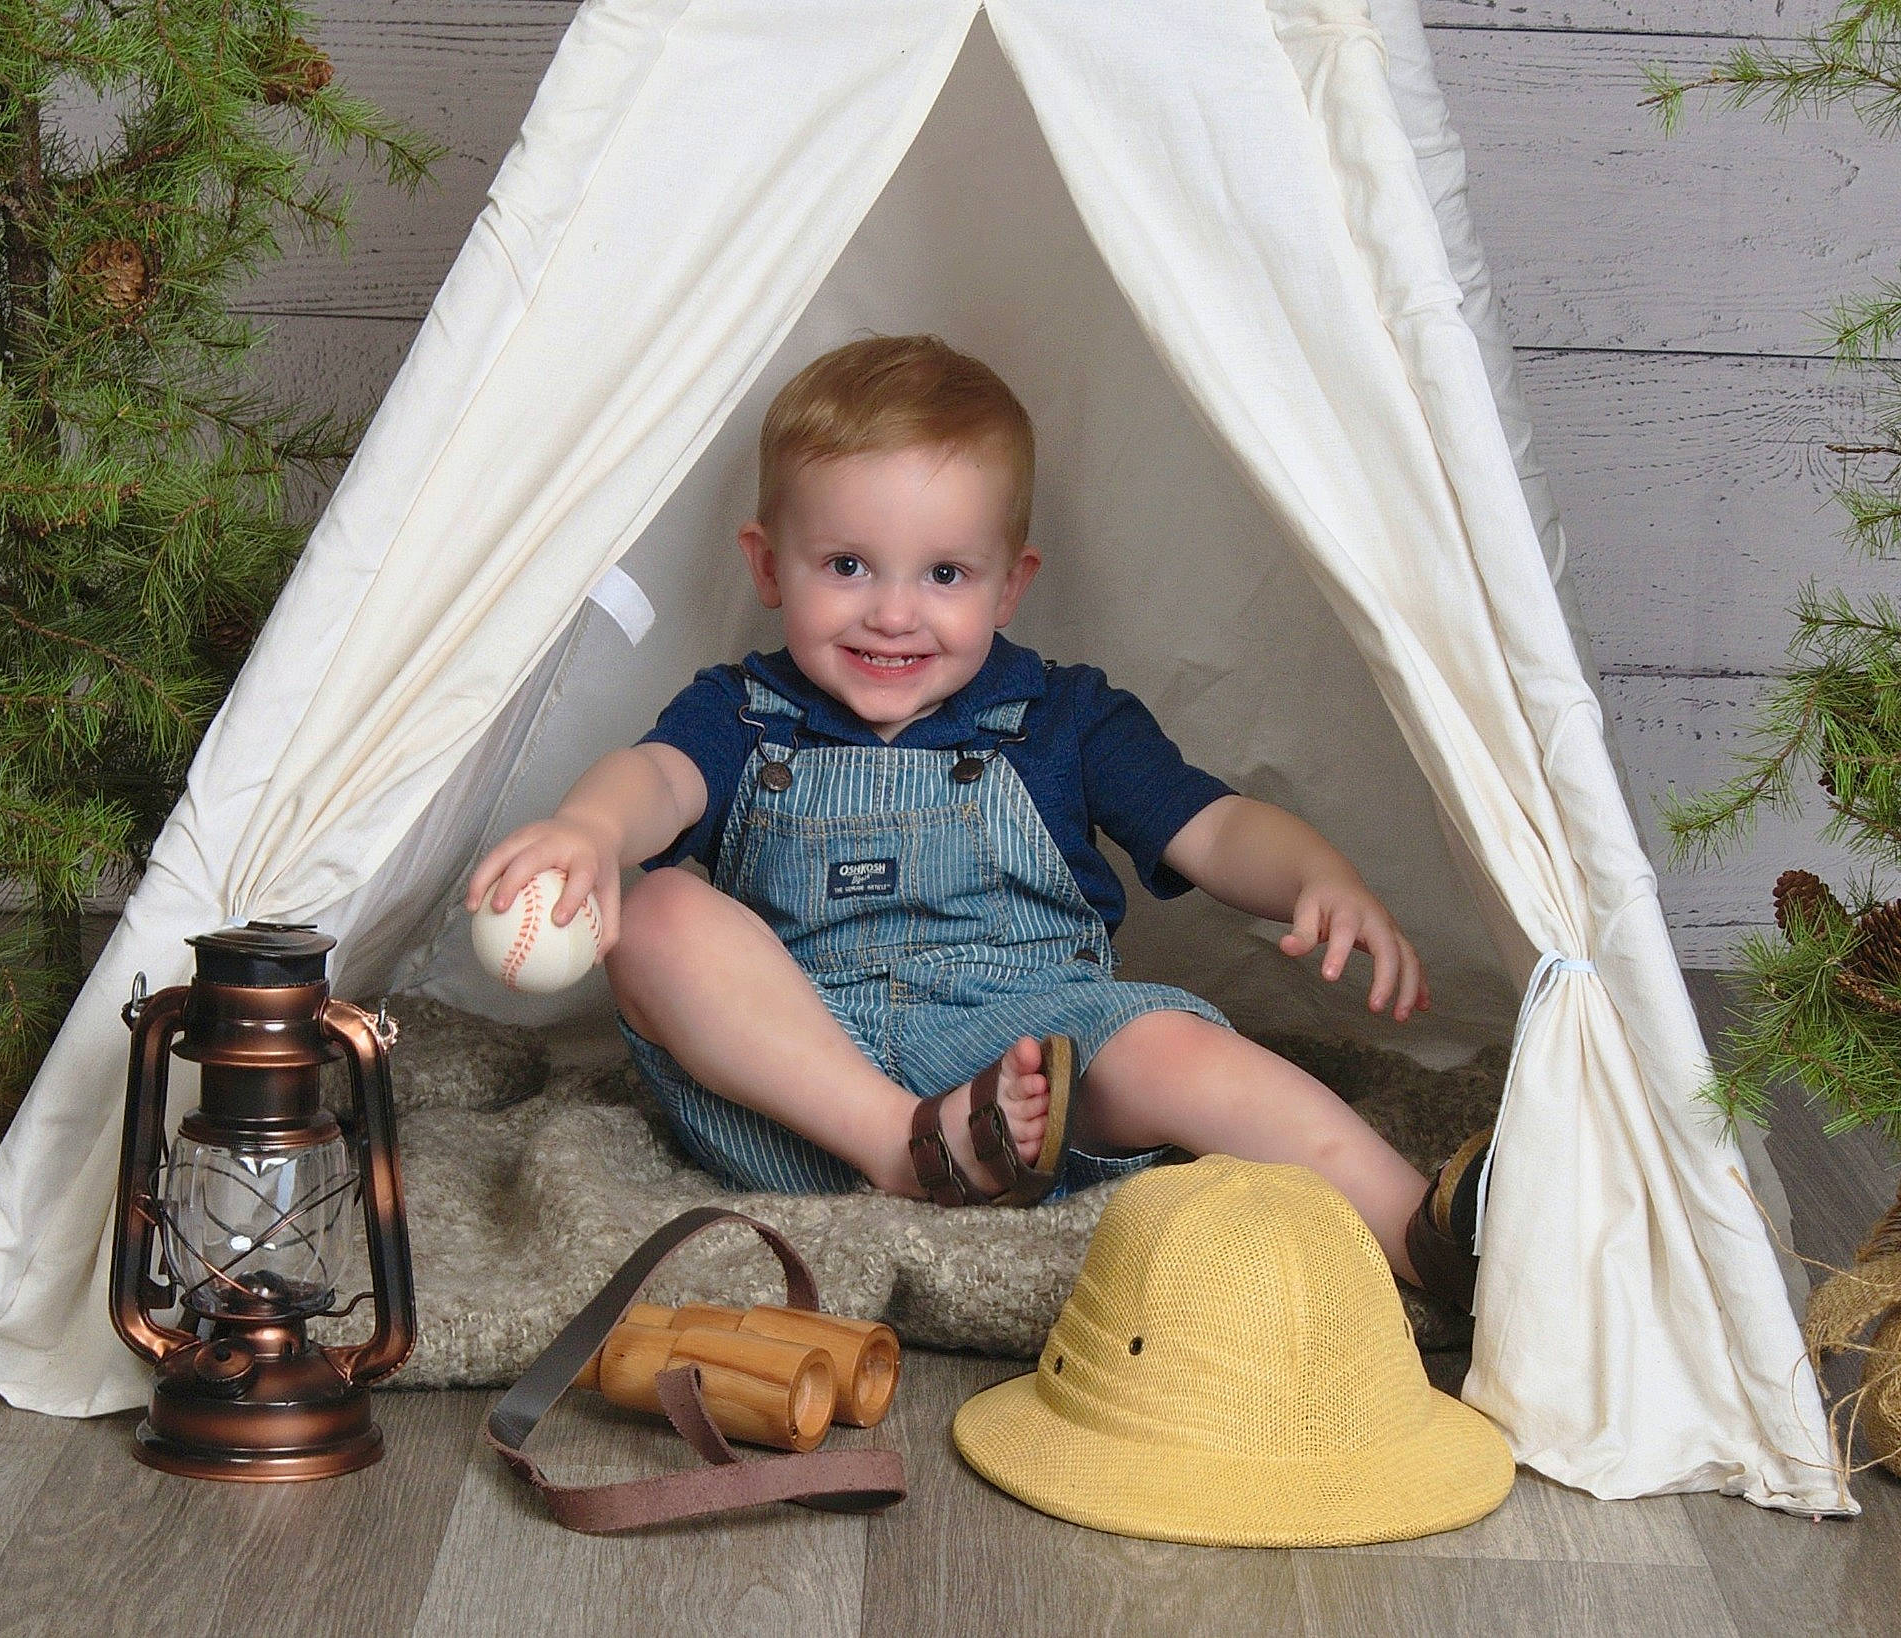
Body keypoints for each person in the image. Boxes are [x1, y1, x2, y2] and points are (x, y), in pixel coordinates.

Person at [466, 334, 1485, 1309]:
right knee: (653, 915)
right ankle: (903, 1144)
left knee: (1171, 1046)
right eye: (847, 566)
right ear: (769, 565)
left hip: (1035, 1072)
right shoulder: (745, 714)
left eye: (943, 574)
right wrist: (594, 828)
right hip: (800, 1079)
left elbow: (1213, 829)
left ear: (1010, 585)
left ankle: (1422, 1234)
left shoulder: (1063, 717)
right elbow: (658, 777)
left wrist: (1319, 877)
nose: (893, 614)